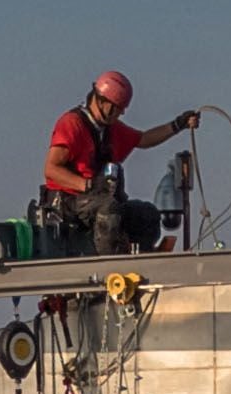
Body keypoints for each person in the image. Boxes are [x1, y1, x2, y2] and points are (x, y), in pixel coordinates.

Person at [41, 69, 198, 255]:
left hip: (98, 200)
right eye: (118, 108)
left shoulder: (110, 129)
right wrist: (88, 185)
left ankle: (143, 259)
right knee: (110, 208)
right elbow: (51, 169)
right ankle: (109, 263)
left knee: (146, 214)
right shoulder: (72, 124)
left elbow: (144, 139)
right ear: (102, 101)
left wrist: (177, 125)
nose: (122, 113)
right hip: (68, 201)